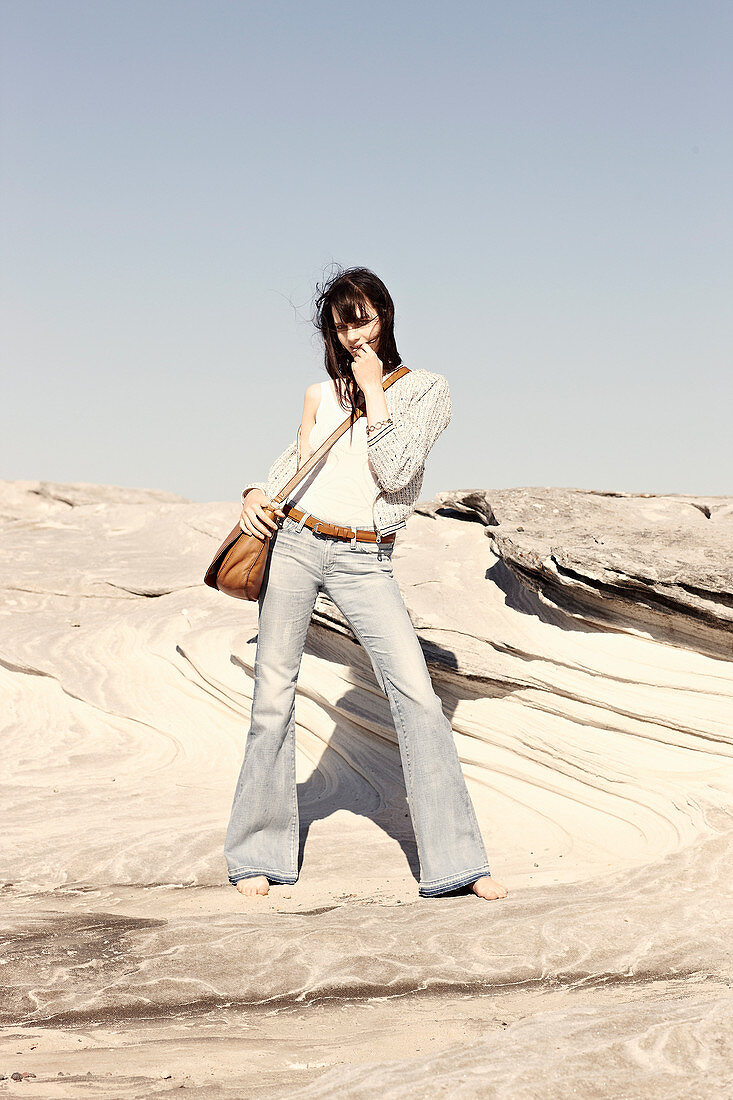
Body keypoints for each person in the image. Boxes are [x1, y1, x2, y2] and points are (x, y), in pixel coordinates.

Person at [224, 265, 508, 903]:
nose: (355, 335)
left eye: (366, 320)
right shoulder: (319, 393)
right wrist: (252, 492)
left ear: (386, 319)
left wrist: (375, 392)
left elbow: (397, 469)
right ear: (331, 329)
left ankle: (458, 861)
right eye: (342, 323)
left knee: (418, 698)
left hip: (364, 555)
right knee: (273, 697)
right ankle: (256, 857)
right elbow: (291, 465)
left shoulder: (428, 390)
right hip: (296, 543)